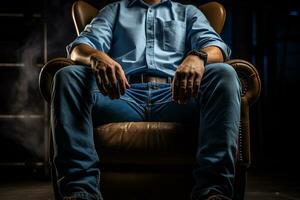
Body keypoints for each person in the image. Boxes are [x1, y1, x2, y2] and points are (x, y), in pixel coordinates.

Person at [51, 0, 241, 199]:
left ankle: (213, 191)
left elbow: (217, 47)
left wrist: (198, 56)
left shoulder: (188, 13)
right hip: (121, 95)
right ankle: (80, 192)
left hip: (177, 96)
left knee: (224, 73)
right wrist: (96, 56)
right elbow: (78, 49)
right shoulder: (114, 11)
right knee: (67, 76)